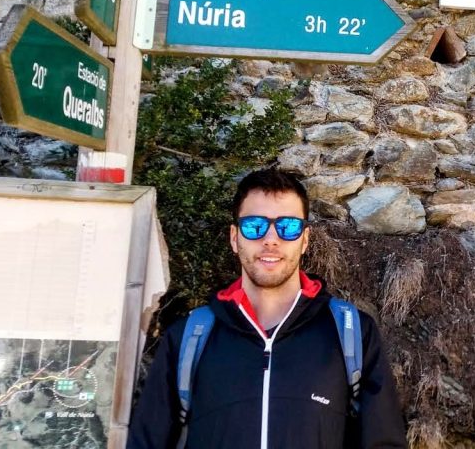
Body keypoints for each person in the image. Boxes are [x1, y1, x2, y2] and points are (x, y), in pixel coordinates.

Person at [127, 169, 408, 449]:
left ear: (305, 240)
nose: (271, 239)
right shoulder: (189, 338)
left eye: (287, 227)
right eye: (254, 226)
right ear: (235, 238)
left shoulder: (351, 334)